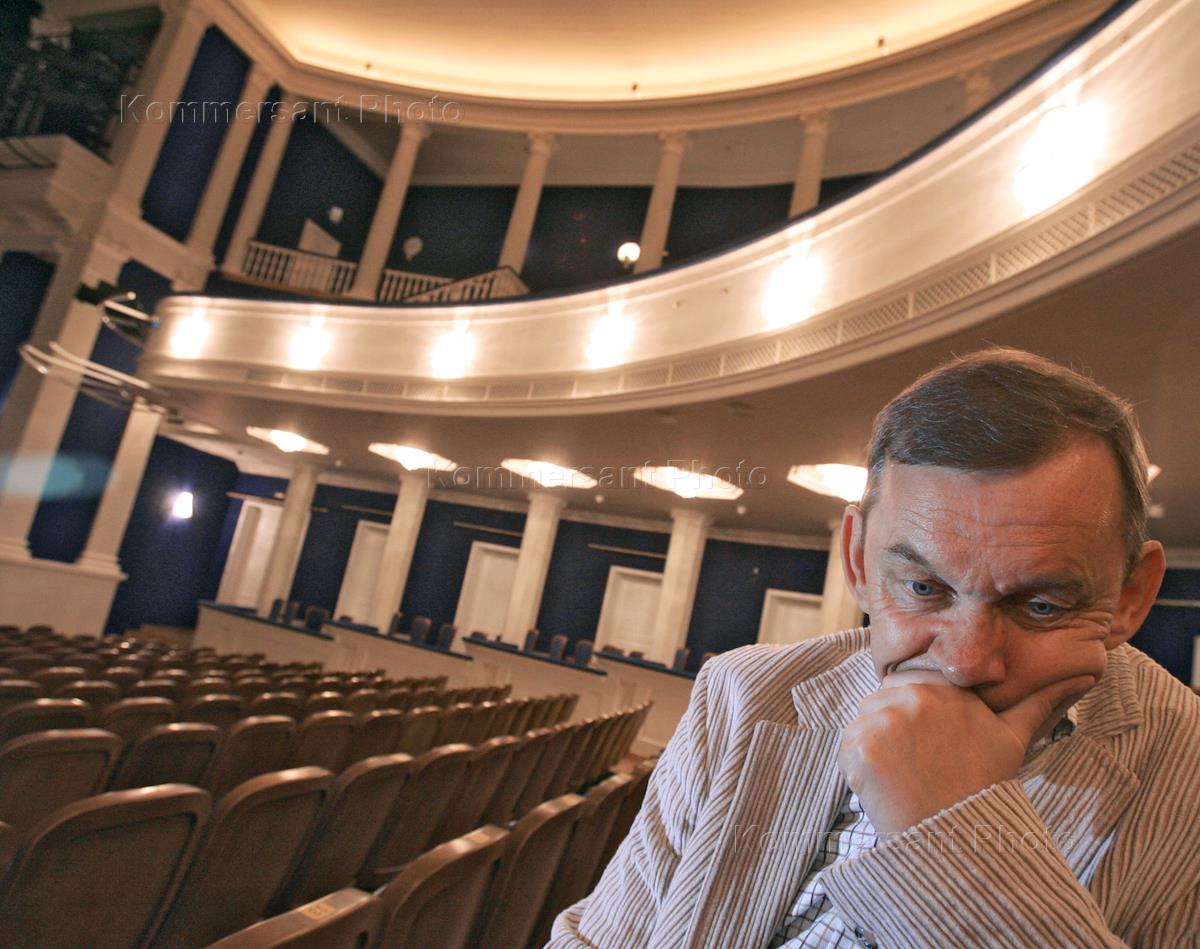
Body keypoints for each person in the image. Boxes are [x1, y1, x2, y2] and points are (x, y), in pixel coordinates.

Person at [551, 348, 1200, 948]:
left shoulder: (1187, 769)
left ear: (1131, 595)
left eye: (1040, 605)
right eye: (923, 587)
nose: (964, 663)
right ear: (858, 559)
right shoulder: (741, 693)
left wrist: (955, 842)